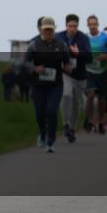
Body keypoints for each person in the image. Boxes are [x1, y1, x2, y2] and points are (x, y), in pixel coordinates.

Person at [24, 16, 71, 153]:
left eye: (51, 29)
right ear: (41, 30)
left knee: (51, 110)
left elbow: (67, 62)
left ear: (54, 30)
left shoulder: (61, 45)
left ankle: (51, 139)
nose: (48, 32)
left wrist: (68, 67)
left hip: (55, 85)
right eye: (46, 30)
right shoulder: (34, 45)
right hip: (38, 85)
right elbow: (26, 62)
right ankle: (43, 133)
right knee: (40, 113)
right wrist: (35, 68)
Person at [56, 13, 91, 143]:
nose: (72, 28)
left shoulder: (83, 38)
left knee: (77, 104)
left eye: (75, 26)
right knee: (66, 94)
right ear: (66, 26)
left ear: (78, 26)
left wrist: (78, 53)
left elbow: (89, 57)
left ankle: (72, 129)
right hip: (65, 73)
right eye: (70, 26)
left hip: (80, 75)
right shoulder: (59, 37)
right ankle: (66, 124)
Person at [84, 14, 107, 135]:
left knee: (102, 98)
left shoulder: (105, 36)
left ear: (98, 24)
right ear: (87, 25)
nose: (92, 26)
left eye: (94, 24)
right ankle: (89, 120)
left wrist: (106, 56)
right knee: (90, 95)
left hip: (102, 71)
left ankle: (101, 122)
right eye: (90, 24)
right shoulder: (84, 37)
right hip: (89, 71)